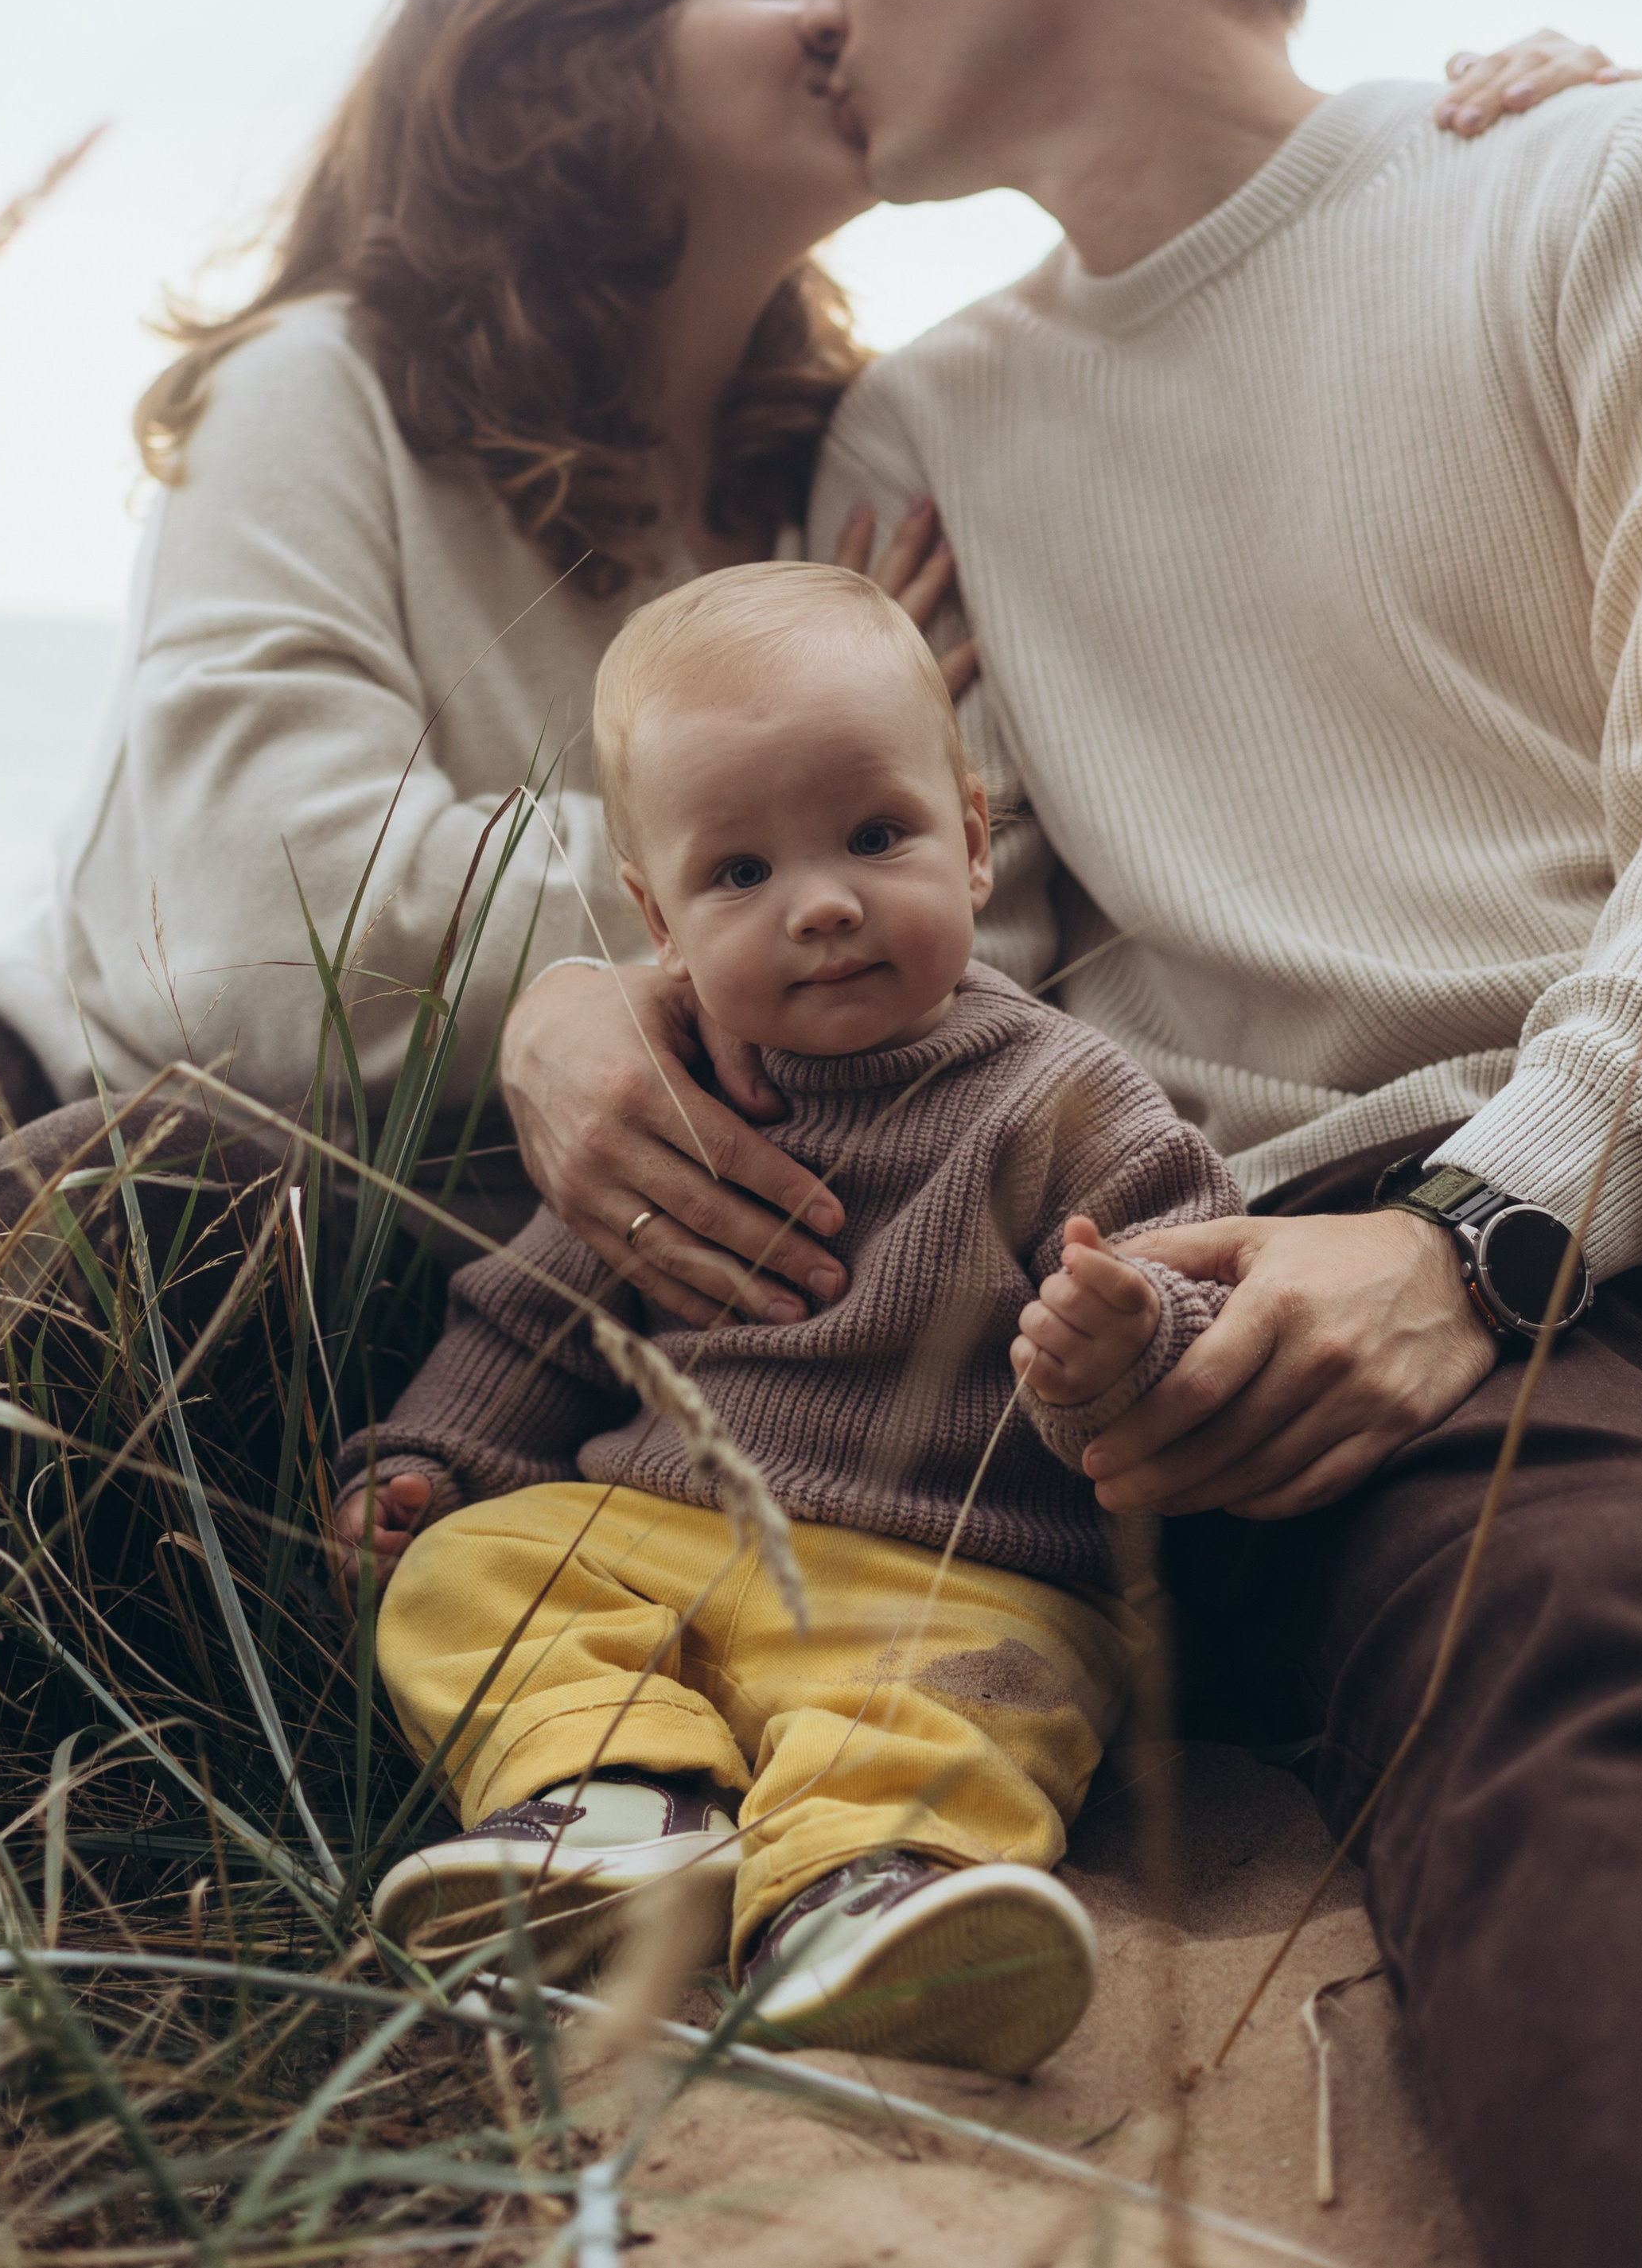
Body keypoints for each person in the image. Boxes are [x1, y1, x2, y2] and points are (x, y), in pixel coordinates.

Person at [0, 0, 1593, 1562]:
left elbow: (978, 916)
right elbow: (252, 915)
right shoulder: (331, 385)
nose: (834, 8)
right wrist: (592, 978)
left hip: (388, 1242)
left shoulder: (845, 498)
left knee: (99, 1238)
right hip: (28, 1073)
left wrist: (1477, 144)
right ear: (567, 66)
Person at [496, 0, 1642, 2268]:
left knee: (1574, 1646)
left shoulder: (1607, 185)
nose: (825, 3)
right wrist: (604, 995)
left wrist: (1477, 1239)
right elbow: (970, 992)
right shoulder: (923, 444)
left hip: (1556, 1228)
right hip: (1181, 1323)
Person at [335, 560, 1239, 2074]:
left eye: (876, 836)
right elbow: (532, 1320)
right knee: (463, 1575)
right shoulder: (668, 1097)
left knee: (976, 1696)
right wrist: (433, 1461)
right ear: (659, 918)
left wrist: (1126, 1336)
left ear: (971, 841)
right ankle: (618, 1803)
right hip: (663, 1530)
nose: (822, 904)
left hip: (952, 1568)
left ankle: (870, 1890)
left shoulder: (1060, 1091)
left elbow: (1194, 1279)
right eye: (741, 872)